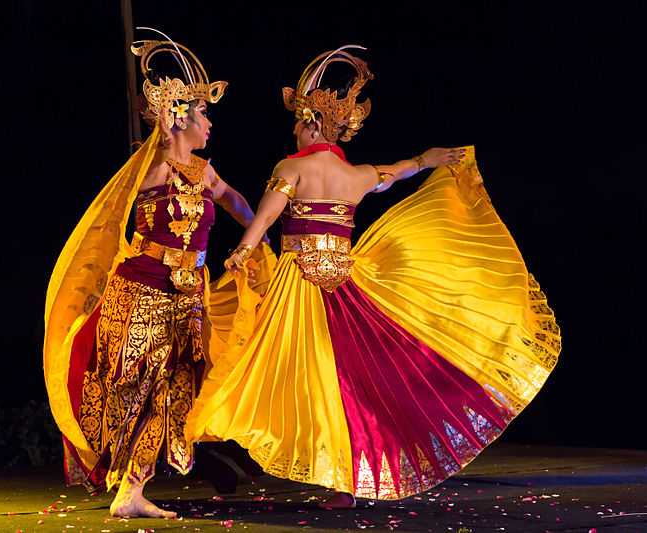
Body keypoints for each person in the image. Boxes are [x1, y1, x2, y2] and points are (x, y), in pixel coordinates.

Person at [186, 46, 561, 509]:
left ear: (312, 123)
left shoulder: (291, 167)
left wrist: (242, 251)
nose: (294, 130)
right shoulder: (358, 175)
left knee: (274, 367)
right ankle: (344, 483)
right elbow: (396, 172)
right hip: (346, 284)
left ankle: (216, 438)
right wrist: (426, 160)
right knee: (347, 383)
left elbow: (264, 217)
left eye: (298, 122)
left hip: (297, 285)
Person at [43, 33, 265, 518]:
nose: (210, 124)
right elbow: (117, 203)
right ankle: (116, 474)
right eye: (203, 114)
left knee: (177, 393)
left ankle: (132, 492)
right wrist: (160, 138)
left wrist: (258, 237)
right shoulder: (153, 169)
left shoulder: (205, 172)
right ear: (182, 116)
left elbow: (236, 201)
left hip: (189, 298)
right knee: (133, 386)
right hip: (140, 290)